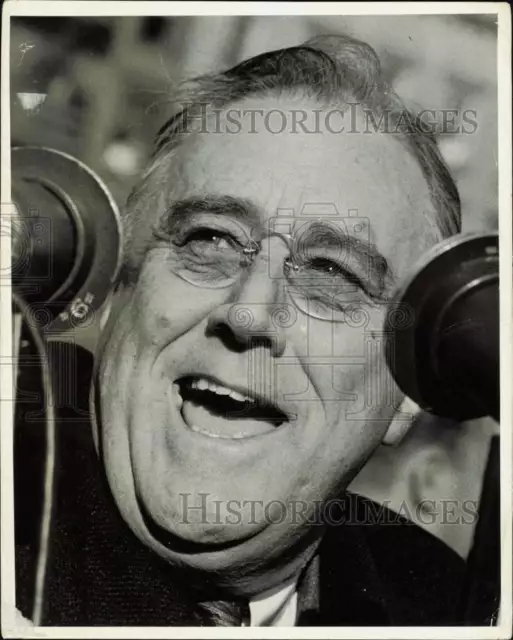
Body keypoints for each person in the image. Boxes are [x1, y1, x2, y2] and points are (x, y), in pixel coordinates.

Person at [15, 34, 468, 626]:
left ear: (408, 390)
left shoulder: (449, 606)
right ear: (117, 285)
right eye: (211, 239)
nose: (250, 312)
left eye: (332, 272)